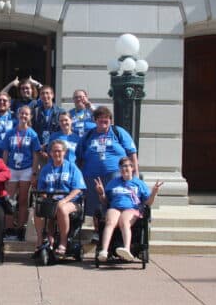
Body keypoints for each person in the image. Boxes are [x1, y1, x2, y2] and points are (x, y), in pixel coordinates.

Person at [75, 106, 138, 241]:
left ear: (110, 121)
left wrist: (135, 174)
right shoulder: (88, 135)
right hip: (91, 176)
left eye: (106, 121)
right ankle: (98, 231)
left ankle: (115, 235)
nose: (103, 124)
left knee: (114, 202)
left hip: (115, 175)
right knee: (96, 206)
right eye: (100, 121)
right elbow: (79, 157)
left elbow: (132, 153)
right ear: (95, 120)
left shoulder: (118, 132)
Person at [94, 157, 163, 261]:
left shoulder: (139, 183)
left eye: (127, 166)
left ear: (132, 168)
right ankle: (104, 251)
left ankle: (126, 249)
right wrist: (101, 193)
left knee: (124, 221)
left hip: (132, 209)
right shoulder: (113, 183)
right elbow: (105, 201)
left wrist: (154, 193)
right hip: (115, 208)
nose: (124, 168)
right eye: (122, 166)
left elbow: (148, 203)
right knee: (110, 222)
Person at [35, 139, 86, 257]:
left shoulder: (72, 168)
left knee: (61, 208)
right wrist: (45, 199)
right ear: (50, 153)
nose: (57, 154)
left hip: (71, 202)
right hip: (51, 200)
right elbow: (41, 188)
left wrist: (64, 200)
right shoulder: (46, 169)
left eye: (59, 151)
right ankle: (41, 241)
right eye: (54, 151)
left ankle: (63, 242)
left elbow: (78, 189)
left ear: (65, 152)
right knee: (37, 208)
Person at [2, 105, 41, 240]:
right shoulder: (10, 133)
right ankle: (9, 229)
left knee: (23, 200)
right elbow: (6, 152)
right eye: (21, 113)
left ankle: (19, 228)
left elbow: (36, 154)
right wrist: (4, 169)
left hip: (26, 168)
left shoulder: (32, 134)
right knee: (9, 200)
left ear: (30, 117)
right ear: (18, 115)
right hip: (12, 168)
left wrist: (34, 172)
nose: (24, 116)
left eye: (26, 114)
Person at [30, 85, 63, 151]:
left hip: (54, 150)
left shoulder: (60, 112)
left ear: (52, 95)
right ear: (40, 96)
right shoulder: (35, 112)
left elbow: (62, 131)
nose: (45, 96)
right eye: (42, 93)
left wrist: (50, 146)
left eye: (47, 93)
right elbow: (32, 130)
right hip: (39, 148)